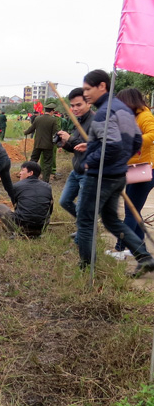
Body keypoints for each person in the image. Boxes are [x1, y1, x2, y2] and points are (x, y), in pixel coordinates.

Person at [76, 70, 154, 276]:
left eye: (87, 89)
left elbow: (109, 146)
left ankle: (86, 270)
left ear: (102, 86)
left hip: (100, 176)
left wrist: (88, 163)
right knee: (112, 220)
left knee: (85, 221)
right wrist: (119, 159)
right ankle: (144, 257)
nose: (85, 94)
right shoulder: (125, 111)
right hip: (119, 174)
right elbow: (136, 141)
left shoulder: (105, 112)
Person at [106, 88, 154, 260]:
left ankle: (120, 249)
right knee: (134, 210)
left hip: (145, 168)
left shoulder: (145, 116)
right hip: (134, 167)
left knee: (131, 211)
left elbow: (152, 134)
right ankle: (138, 247)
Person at [57, 88, 94, 225]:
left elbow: (93, 147)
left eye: (79, 105)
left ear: (88, 103)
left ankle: (83, 232)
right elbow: (77, 148)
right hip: (77, 170)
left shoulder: (95, 122)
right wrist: (64, 143)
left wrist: (70, 139)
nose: (75, 108)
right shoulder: (78, 121)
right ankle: (83, 224)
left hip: (88, 172)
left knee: (82, 207)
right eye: (72, 106)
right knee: (64, 201)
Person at [0, 161, 53, 237]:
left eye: (22, 170)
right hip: (41, 227)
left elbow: (15, 205)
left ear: (30, 173)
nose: (20, 173)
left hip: (22, 226)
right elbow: (50, 209)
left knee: (0, 207)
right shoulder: (47, 187)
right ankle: (36, 232)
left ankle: (17, 232)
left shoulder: (17, 186)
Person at [24, 103, 58, 182]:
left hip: (37, 144)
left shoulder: (38, 118)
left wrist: (25, 132)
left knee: (33, 161)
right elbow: (55, 133)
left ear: (45, 110)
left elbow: (31, 129)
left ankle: (29, 178)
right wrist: (57, 144)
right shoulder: (53, 120)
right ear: (52, 111)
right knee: (47, 163)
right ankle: (45, 181)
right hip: (48, 145)